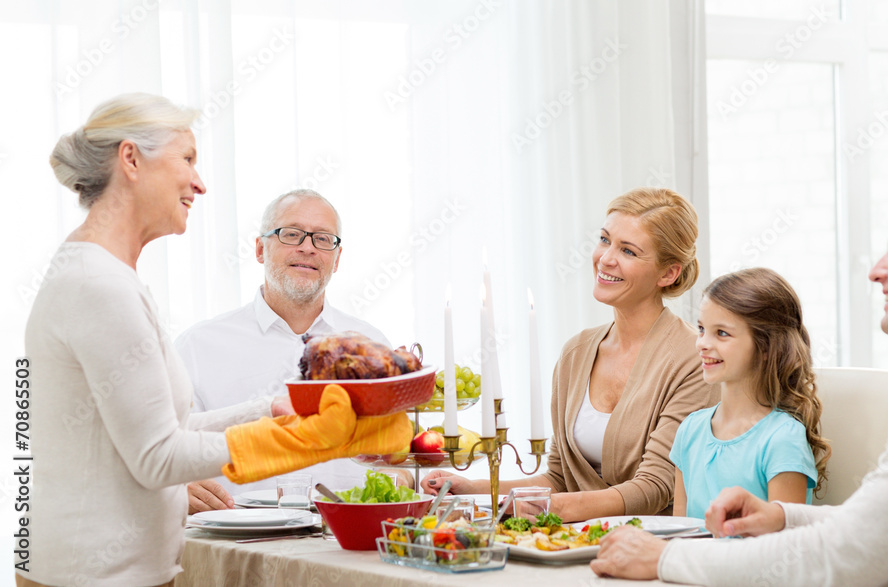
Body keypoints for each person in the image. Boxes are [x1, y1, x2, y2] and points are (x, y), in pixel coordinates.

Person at [20, 93, 409, 587]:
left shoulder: (101, 274)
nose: (200, 183)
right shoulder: (99, 285)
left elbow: (169, 427)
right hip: (94, 574)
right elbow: (160, 458)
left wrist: (275, 409)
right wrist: (307, 440)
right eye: (187, 159)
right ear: (131, 160)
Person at [591, 190, 888, 586]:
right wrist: (786, 518)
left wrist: (665, 557)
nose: (876, 270)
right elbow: (881, 524)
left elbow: (846, 557)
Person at [421, 187, 719, 521]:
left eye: (629, 251)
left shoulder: (694, 361)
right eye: (605, 240)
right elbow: (560, 478)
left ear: (668, 273)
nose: (605, 258)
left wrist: (548, 509)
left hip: (644, 550)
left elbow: (653, 488)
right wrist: (473, 488)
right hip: (569, 544)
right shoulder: (576, 354)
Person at [177, 189, 393, 513]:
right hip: (239, 545)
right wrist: (176, 485)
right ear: (261, 249)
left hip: (344, 548)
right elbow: (160, 449)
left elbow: (396, 454)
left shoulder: (372, 347)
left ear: (337, 259)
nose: (307, 247)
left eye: (323, 239)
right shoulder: (196, 347)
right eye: (292, 234)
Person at [670, 268, 829, 519]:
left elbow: (784, 546)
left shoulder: (782, 439)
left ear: (766, 346)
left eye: (722, 333)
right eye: (701, 329)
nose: (702, 343)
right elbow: (678, 532)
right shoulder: (690, 430)